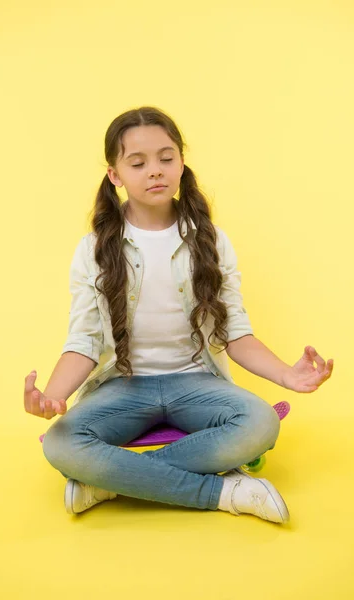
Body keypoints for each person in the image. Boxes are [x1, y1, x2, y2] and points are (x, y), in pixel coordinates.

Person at [24, 106, 334, 523]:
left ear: (182, 163)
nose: (155, 171)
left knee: (261, 424)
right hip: (124, 387)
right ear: (115, 175)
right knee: (60, 444)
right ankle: (224, 492)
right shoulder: (93, 249)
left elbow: (234, 333)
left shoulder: (210, 240)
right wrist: (53, 395)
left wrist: (288, 376)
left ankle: (107, 480)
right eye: (138, 163)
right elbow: (84, 342)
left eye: (166, 158)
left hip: (196, 383)